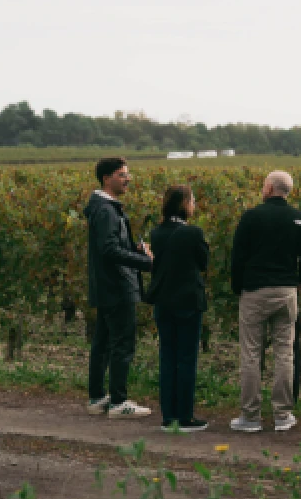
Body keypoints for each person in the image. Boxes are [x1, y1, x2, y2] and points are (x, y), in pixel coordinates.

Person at [229, 170, 301, 433]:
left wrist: (237, 287)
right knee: (284, 352)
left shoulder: (251, 217)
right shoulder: (299, 218)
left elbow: (237, 256)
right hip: (286, 290)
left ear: (268, 188)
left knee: (251, 353)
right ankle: (283, 414)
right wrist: (300, 280)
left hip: (254, 290)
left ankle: (251, 416)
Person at [85, 157, 154, 418]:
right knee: (122, 344)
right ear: (107, 178)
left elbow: (111, 246)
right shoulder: (106, 210)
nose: (128, 179)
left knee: (102, 342)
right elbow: (109, 250)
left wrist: (132, 250)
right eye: (122, 175)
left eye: (127, 174)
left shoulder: (105, 208)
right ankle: (118, 402)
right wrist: (145, 262)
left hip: (107, 286)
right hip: (117, 286)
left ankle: (97, 398)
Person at [147, 184, 210, 433]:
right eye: (192, 200)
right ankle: (185, 417)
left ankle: (168, 416)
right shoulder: (193, 233)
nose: (194, 205)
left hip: (163, 301)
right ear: (184, 204)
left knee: (167, 357)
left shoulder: (156, 233)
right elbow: (203, 262)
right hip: (188, 301)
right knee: (186, 359)